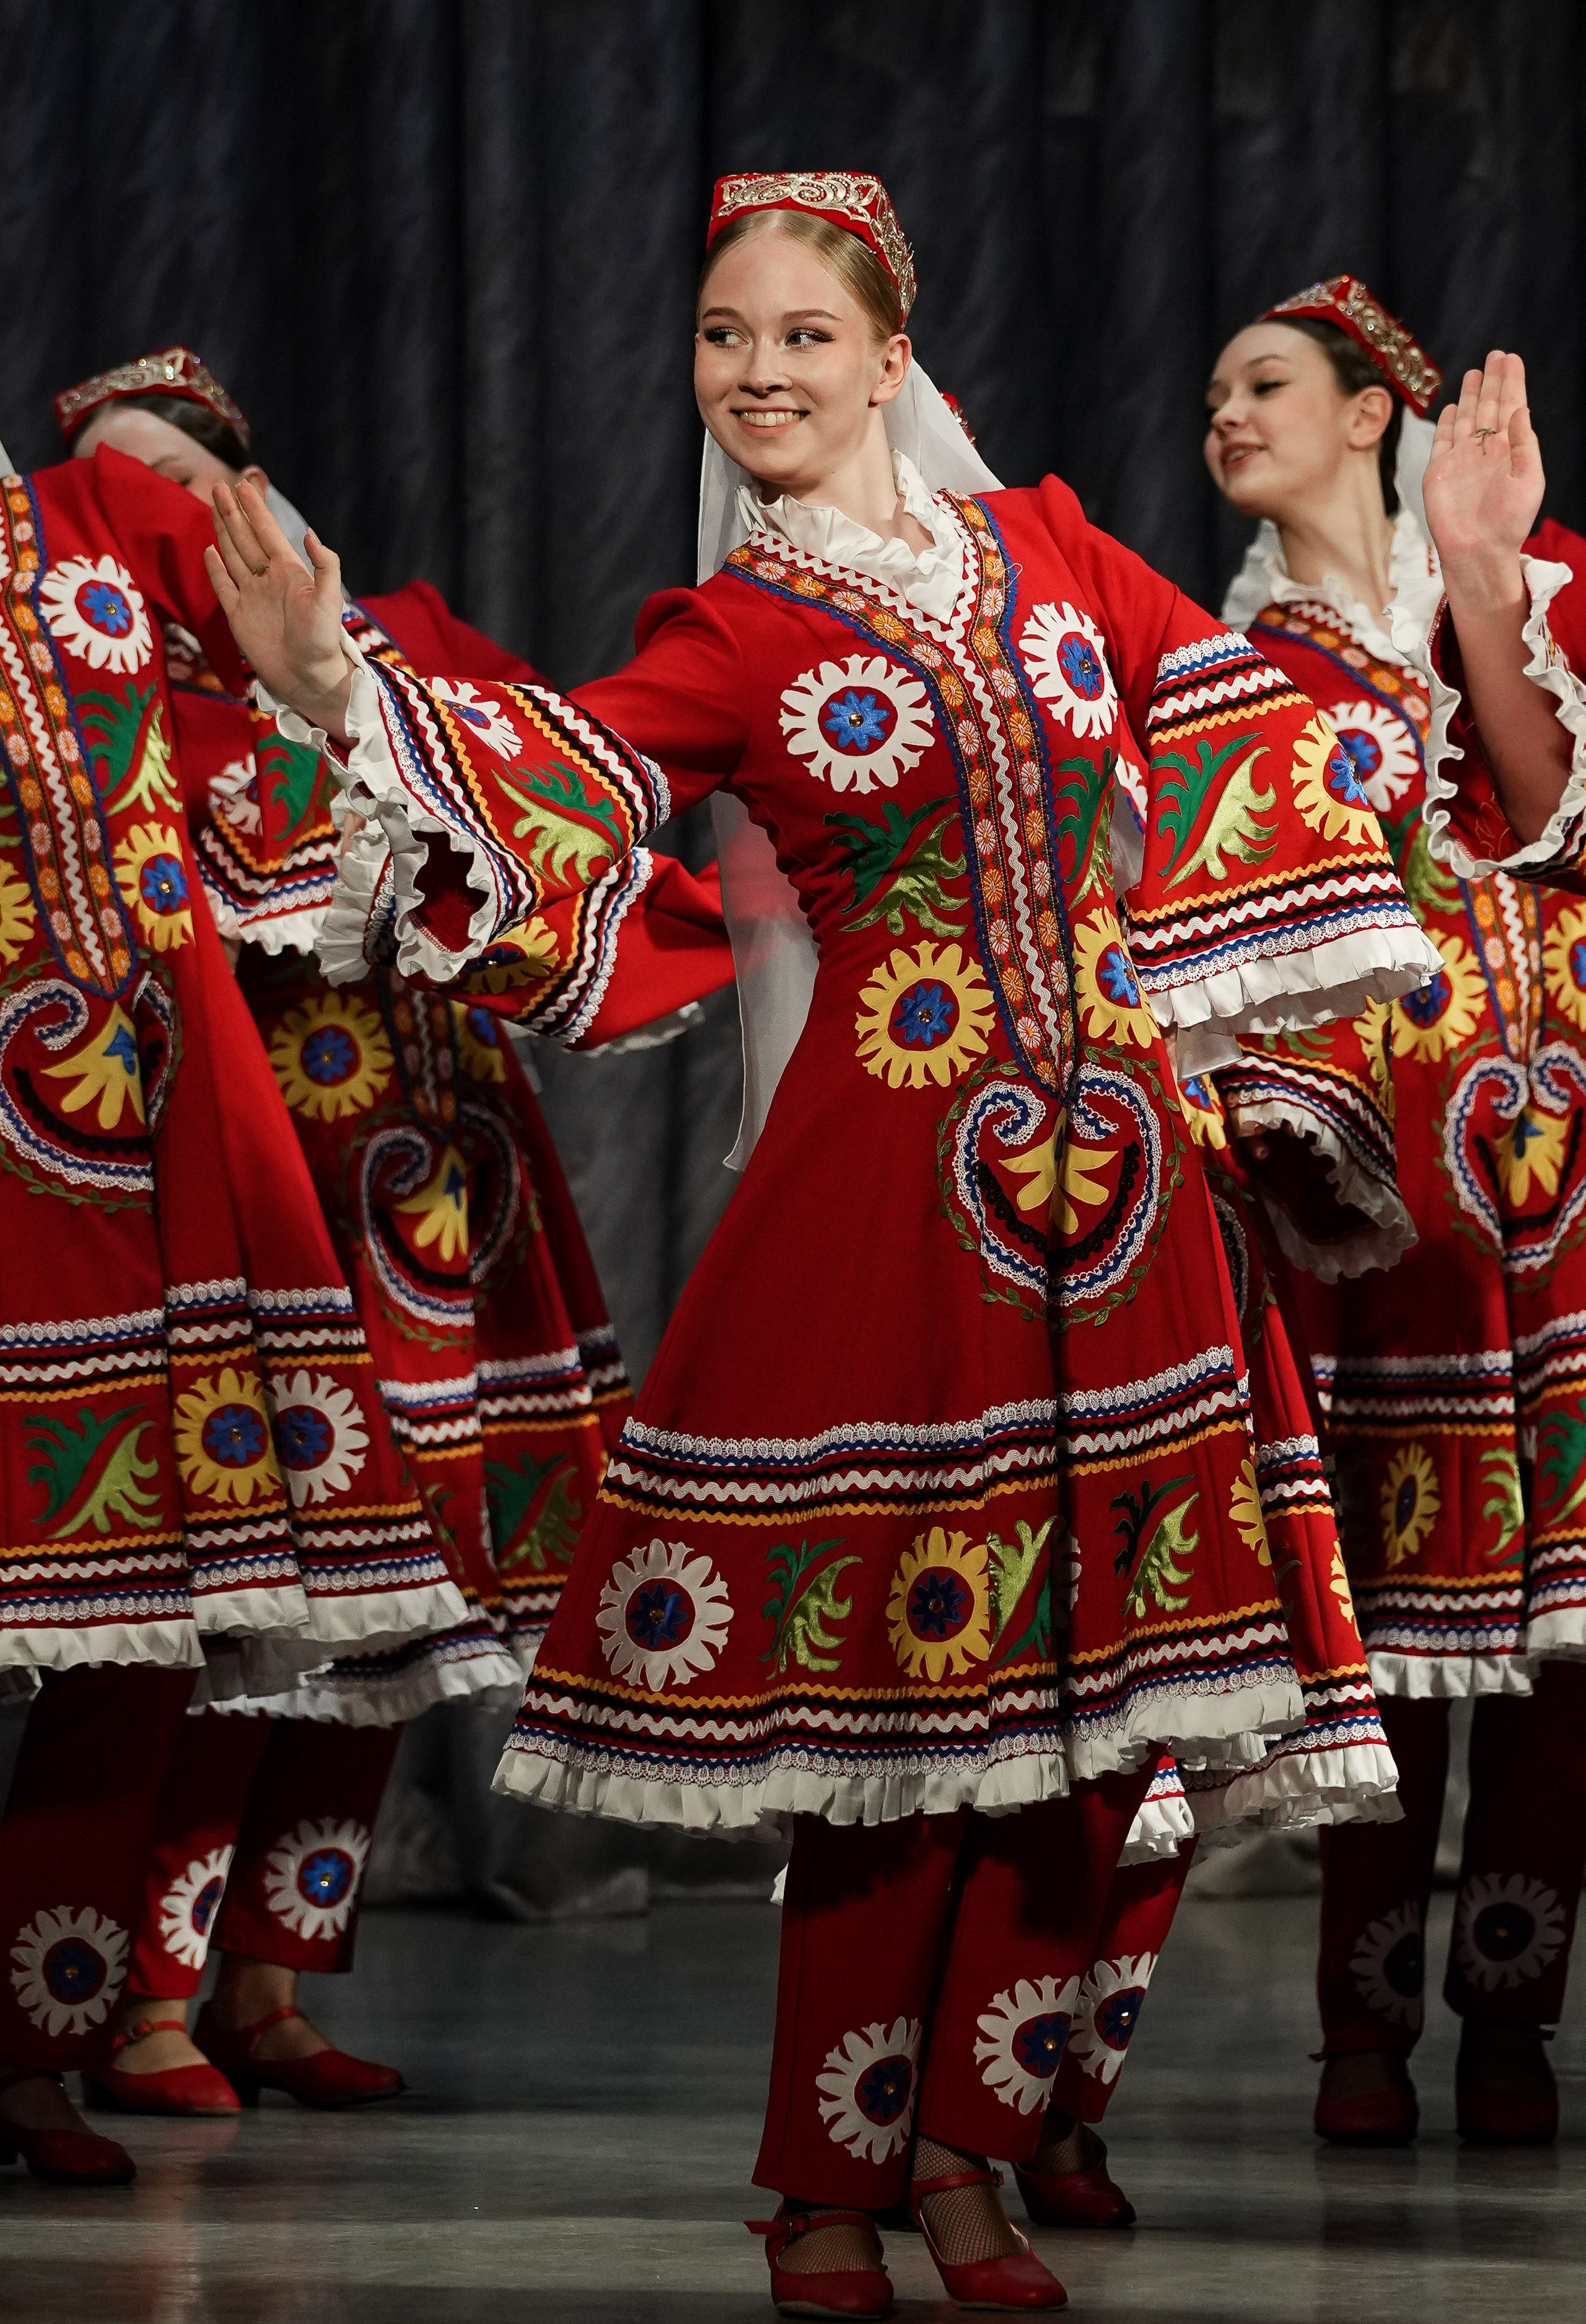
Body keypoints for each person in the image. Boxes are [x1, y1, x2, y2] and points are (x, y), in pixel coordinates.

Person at [208, 172, 1435, 2318]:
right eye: (721, 339)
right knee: (900, 1721)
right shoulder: (740, 633)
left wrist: (1444, 579)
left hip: (1129, 1206)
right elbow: (558, 780)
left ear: (889, 351)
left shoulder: (1049, 545)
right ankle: (823, 2185)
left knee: (1107, 1718)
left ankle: (970, 2154)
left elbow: (1253, 710)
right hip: (891, 1206)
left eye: (798, 337)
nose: (756, 376)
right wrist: (342, 688)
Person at [42, 348, 734, 2121]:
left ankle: (271, 1977)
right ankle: (138, 1999)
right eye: (139, 501)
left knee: (391, 1621)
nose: (187, 522)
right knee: (249, 1614)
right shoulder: (136, 700)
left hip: (426, 1194)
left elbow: (528, 830)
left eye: (202, 485)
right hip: (274, 1186)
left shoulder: (385, 651)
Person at [0, 442, 468, 2182]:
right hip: (48, 1135)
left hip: (157, 1136)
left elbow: (292, 725)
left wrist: (321, 681)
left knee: (146, 1622)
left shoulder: (87, 532)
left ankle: (48, 2032)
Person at [1203, 278, 1586, 2147]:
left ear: (1376, 412)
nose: (1224, 414)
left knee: (1560, 1646)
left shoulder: (1525, 578)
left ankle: (1514, 2013)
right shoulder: (1219, 652)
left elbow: (1542, 809)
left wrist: (1486, 577)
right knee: (1381, 1614)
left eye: (1263, 382)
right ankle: (1360, 2029)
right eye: (1211, 392)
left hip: (1552, 1167)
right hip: (1367, 1183)